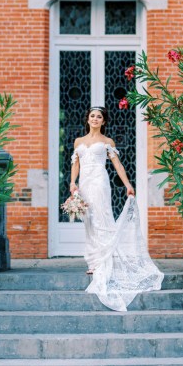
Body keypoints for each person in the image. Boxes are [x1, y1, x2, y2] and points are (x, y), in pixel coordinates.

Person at [70, 105, 164, 312]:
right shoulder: (79, 142)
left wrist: (129, 184)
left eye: (99, 117)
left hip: (100, 183)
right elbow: (75, 164)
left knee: (102, 218)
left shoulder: (107, 142)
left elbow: (118, 165)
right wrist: (72, 183)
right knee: (88, 221)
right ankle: (93, 261)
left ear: (104, 121)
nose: (95, 119)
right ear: (88, 119)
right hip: (84, 184)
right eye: (92, 115)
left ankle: (105, 260)